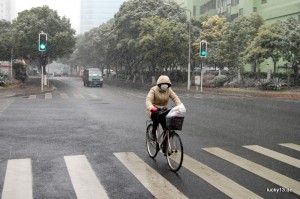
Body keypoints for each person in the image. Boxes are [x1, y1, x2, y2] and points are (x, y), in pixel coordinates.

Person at [145, 75, 182, 145]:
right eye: (163, 84)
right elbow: (148, 100)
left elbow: (175, 97)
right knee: (156, 116)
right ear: (159, 84)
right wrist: (151, 107)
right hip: (153, 110)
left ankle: (165, 147)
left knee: (167, 127)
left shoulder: (169, 90)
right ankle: (153, 132)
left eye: (166, 84)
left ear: (168, 85)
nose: (165, 86)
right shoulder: (153, 90)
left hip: (163, 110)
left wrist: (179, 105)